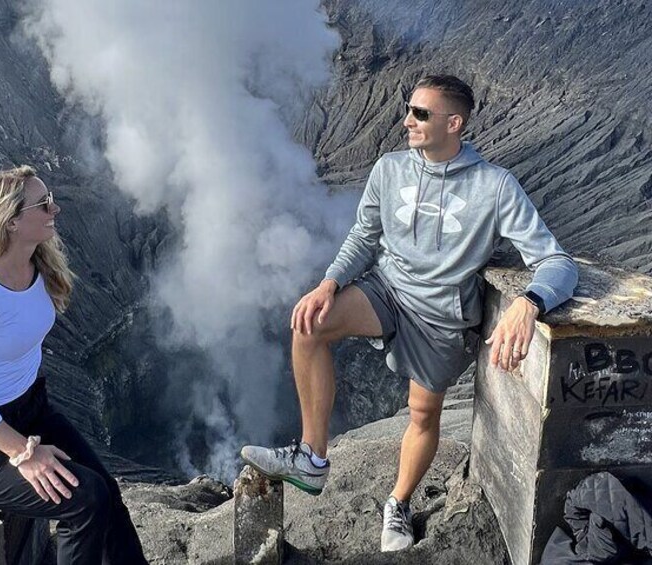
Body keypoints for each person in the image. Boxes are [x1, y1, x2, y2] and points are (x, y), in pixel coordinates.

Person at [240, 75, 578, 552]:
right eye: (409, 110)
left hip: (441, 315)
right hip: (387, 288)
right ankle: (312, 457)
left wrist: (530, 302)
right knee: (309, 324)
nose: (407, 121)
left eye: (421, 113)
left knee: (422, 414)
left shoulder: (495, 187)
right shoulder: (389, 169)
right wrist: (328, 283)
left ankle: (397, 503)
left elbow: (556, 262)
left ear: (454, 123)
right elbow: (364, 236)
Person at [0, 166, 148, 564]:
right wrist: (23, 454)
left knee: (107, 492)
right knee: (84, 502)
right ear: (11, 220)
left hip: (30, 411)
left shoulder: (36, 266)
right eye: (43, 203)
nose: (56, 208)